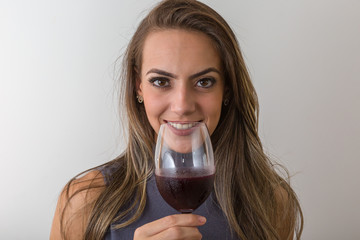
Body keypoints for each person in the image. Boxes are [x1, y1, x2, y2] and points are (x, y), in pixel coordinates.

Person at [50, 0, 304, 239]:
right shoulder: (84, 200)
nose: (182, 106)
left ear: (227, 90)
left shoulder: (271, 202)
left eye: (204, 82)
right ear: (138, 87)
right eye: (161, 81)